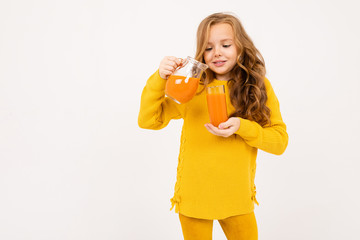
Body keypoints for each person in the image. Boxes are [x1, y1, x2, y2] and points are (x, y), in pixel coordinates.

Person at [138, 12, 288, 240]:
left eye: (225, 44)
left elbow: (279, 142)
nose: (216, 52)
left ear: (240, 46)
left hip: (236, 199)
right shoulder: (193, 87)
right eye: (208, 48)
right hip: (194, 199)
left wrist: (242, 127)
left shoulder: (257, 88)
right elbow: (149, 120)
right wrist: (160, 78)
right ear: (201, 53)